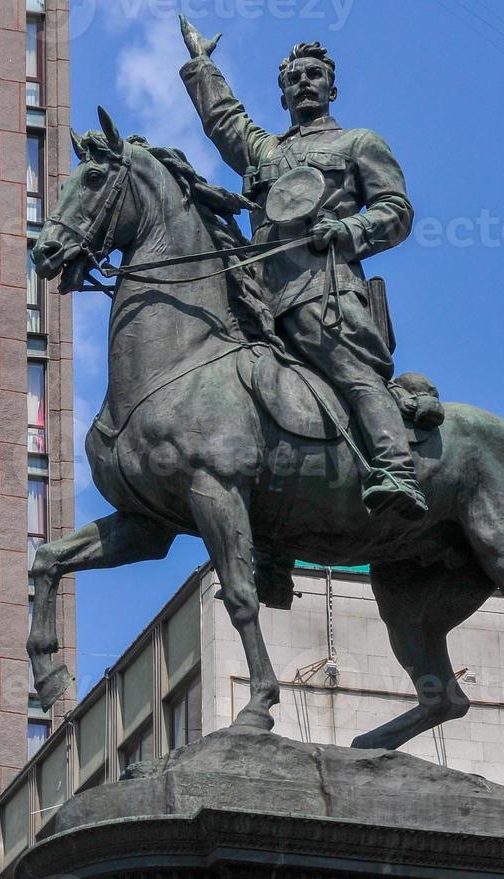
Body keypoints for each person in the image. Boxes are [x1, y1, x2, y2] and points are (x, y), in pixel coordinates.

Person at [178, 16, 426, 519]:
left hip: (322, 290)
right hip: (256, 295)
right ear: (283, 95)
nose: (304, 83)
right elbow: (225, 119)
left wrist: (349, 230)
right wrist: (202, 64)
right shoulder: (267, 151)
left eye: (314, 75)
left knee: (350, 373)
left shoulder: (358, 143)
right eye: (294, 78)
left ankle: (397, 469)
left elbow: (396, 211)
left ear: (332, 87)